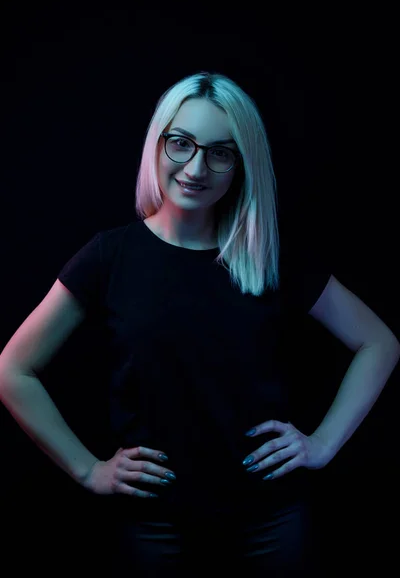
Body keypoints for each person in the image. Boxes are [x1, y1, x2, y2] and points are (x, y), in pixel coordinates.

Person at [0, 71, 399, 576]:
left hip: (269, 523)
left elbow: (378, 344)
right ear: (158, 144)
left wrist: (320, 444)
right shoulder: (110, 256)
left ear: (241, 164)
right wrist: (87, 470)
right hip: (153, 525)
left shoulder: (268, 256)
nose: (196, 167)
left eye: (220, 152)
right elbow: (13, 369)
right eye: (182, 144)